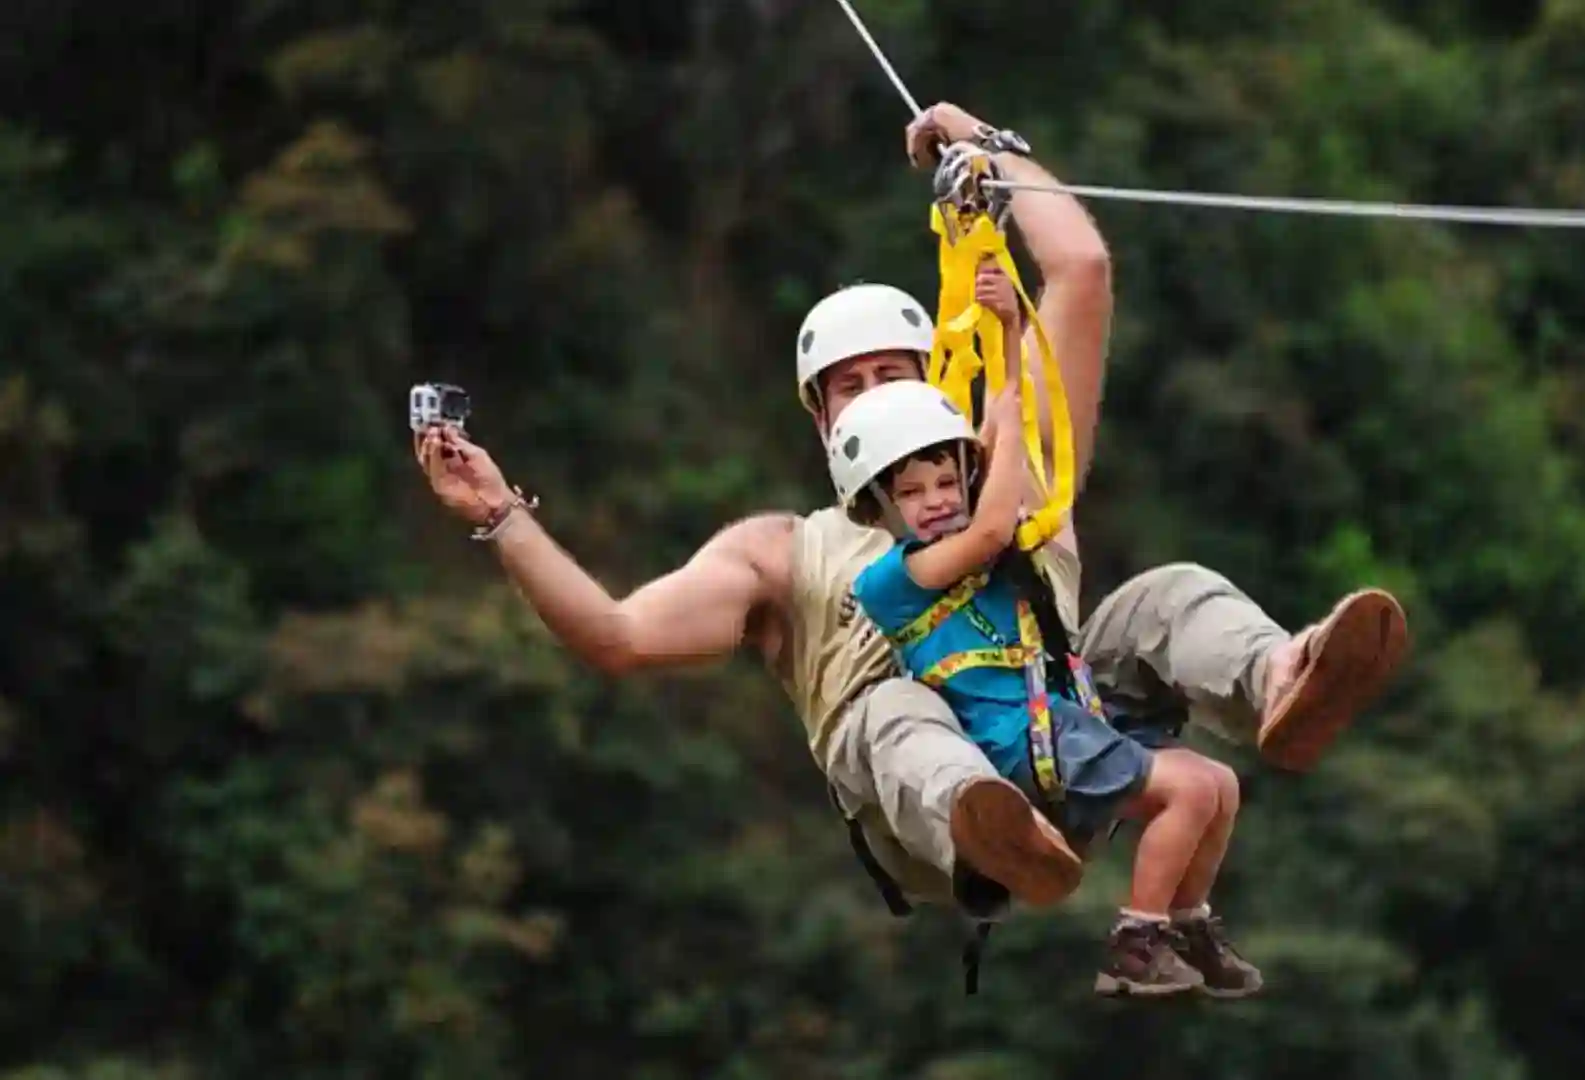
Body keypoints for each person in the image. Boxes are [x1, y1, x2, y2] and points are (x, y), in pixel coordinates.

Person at [414, 99, 1409, 993]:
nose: (879, 393)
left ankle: (1281, 675)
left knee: (1166, 592)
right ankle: (988, 819)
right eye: (852, 386)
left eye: (897, 370)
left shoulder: (1009, 469)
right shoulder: (782, 552)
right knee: (892, 704)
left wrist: (988, 153)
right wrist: (503, 514)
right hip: (927, 813)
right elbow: (618, 637)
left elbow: (1082, 271)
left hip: (1067, 731)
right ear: (821, 421)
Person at [833, 371, 1258, 998]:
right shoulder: (892, 580)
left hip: (1062, 717)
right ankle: (1135, 945)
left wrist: (1005, 334)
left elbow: (1007, 445)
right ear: (882, 506)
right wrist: (999, 425)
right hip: (1017, 742)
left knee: (1220, 784)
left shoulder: (977, 541)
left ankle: (1186, 926)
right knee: (1191, 790)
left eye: (948, 482)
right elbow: (992, 525)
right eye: (914, 493)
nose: (938, 501)